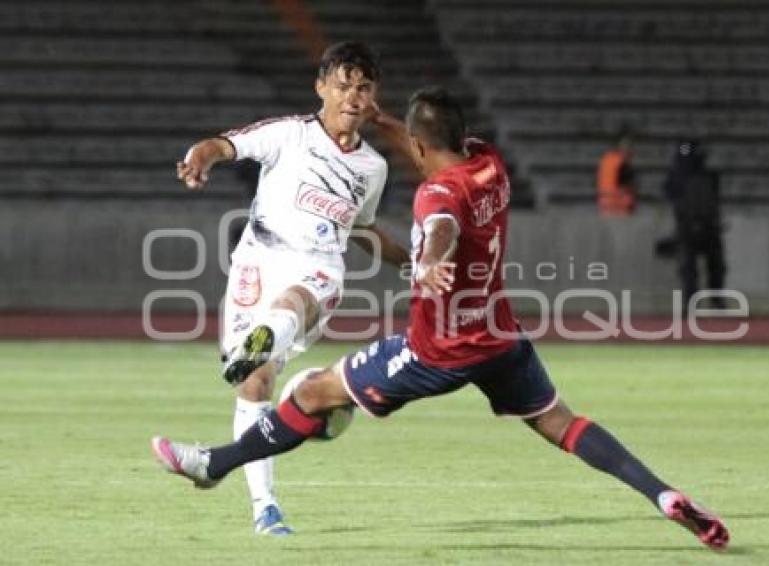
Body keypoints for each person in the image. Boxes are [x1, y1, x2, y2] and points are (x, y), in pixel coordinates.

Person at [155, 88, 729, 550]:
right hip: (501, 335)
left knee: (311, 394)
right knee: (562, 423)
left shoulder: (435, 197)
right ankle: (661, 495)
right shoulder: (491, 164)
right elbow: (436, 149)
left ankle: (215, 464)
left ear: (419, 146)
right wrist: (388, 126)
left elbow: (441, 229)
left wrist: (429, 263)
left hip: (437, 350)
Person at [174, 41, 408, 536]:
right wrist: (201, 156)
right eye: (343, 85)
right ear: (321, 87)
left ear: (373, 97)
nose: (353, 97)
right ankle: (265, 509)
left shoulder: (373, 168)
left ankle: (265, 338)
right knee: (254, 384)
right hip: (258, 261)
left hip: (319, 270)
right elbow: (224, 145)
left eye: (363, 88)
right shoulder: (287, 135)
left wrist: (410, 262)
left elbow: (362, 230)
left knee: (295, 302)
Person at [662, 140, 726, 310]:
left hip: (699, 228)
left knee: (706, 267)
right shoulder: (702, 177)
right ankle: (702, 301)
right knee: (694, 269)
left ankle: (705, 301)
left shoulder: (703, 177)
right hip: (694, 228)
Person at [596, 128, 637, 216]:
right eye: (630, 145)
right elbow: (626, 187)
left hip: (605, 207)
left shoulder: (606, 159)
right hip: (620, 209)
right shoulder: (623, 164)